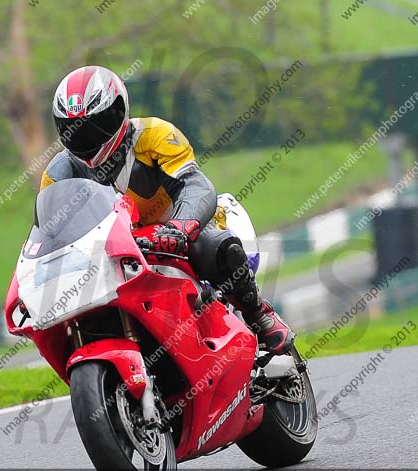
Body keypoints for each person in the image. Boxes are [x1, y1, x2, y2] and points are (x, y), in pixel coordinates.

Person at [41, 65, 294, 355]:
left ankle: (258, 315)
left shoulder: (155, 135)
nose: (86, 138)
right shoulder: (58, 173)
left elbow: (194, 185)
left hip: (179, 231)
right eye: (75, 129)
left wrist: (181, 226)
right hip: (116, 252)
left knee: (211, 244)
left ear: (119, 111)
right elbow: (52, 232)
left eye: (96, 124)